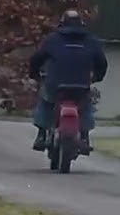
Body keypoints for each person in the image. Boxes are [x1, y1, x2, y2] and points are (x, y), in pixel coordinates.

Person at [27, 9, 108, 153]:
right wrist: (97, 77)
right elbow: (102, 63)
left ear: (62, 23)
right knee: (85, 106)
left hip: (55, 86)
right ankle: (84, 136)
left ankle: (41, 134)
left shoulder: (52, 39)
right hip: (81, 87)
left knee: (45, 101)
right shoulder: (91, 41)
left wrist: (34, 74)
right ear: (81, 23)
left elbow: (36, 59)